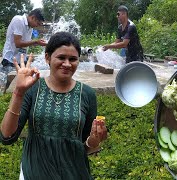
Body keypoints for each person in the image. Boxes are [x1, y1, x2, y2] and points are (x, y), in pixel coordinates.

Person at [0, 32, 107, 179]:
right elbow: (7, 136)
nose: (67, 64)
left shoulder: (87, 94)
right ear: (47, 58)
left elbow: (86, 145)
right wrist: (19, 92)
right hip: (34, 171)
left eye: (73, 59)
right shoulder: (33, 88)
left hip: (73, 173)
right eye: (61, 57)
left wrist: (94, 141)